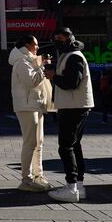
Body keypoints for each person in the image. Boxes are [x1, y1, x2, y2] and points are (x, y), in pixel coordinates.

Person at [45, 27, 93, 203]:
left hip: (73, 106)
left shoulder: (73, 56)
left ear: (69, 38)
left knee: (65, 146)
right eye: (56, 36)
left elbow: (71, 82)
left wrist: (53, 76)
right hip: (75, 105)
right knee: (74, 145)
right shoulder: (69, 54)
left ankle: (71, 186)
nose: (58, 39)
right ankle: (78, 186)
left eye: (62, 37)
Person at [9, 35, 53, 192]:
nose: (38, 47)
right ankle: (26, 178)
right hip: (27, 106)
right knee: (30, 143)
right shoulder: (21, 62)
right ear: (27, 46)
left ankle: (38, 175)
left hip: (35, 104)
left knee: (38, 143)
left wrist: (40, 63)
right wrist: (43, 67)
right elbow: (31, 81)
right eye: (35, 45)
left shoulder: (29, 60)